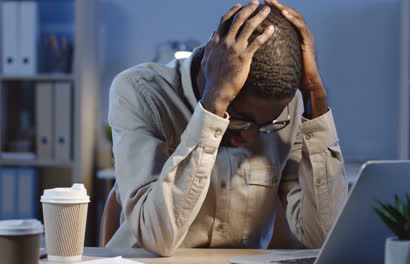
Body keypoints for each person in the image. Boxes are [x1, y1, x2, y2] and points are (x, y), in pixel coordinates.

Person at [107, 0, 348, 257]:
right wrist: (213, 107)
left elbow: (322, 238)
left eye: (267, 125)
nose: (250, 136)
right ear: (209, 70)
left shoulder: (290, 107)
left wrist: (317, 102)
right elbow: (158, 237)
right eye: (240, 119)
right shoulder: (141, 92)